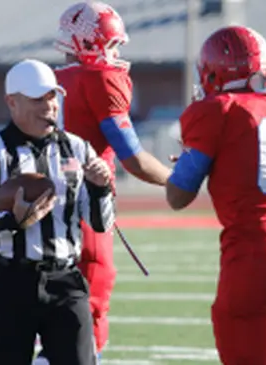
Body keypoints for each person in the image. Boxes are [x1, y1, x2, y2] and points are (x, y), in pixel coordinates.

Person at [165, 25, 266, 365]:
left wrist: (192, 162)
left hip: (255, 259)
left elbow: (178, 196)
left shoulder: (220, 110)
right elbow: (253, 156)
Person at [0, 58, 115, 365]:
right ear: (12, 103)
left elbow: (100, 223)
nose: (49, 106)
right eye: (37, 99)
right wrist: (13, 221)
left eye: (51, 97)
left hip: (65, 277)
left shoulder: (78, 148)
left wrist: (100, 188)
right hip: (10, 278)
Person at [47, 2, 173, 361]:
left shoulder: (53, 81)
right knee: (90, 307)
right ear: (92, 44)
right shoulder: (100, 79)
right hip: (85, 206)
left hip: (45, 206)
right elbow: (132, 157)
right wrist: (176, 179)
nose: (117, 55)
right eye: (112, 45)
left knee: (54, 311)